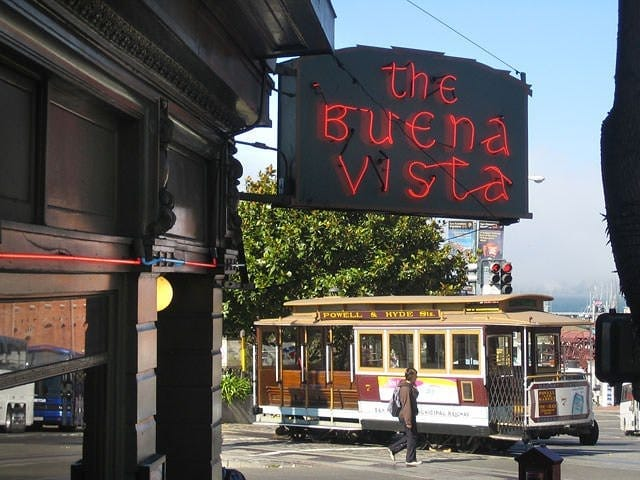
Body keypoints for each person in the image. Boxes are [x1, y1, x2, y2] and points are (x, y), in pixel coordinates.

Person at [387, 367, 422, 466]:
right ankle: (410, 460)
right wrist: (408, 421)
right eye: (415, 376)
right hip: (406, 415)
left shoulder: (409, 386)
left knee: (411, 436)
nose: (417, 377)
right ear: (411, 376)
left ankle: (393, 449)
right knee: (412, 437)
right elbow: (407, 406)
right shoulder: (405, 388)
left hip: (408, 415)